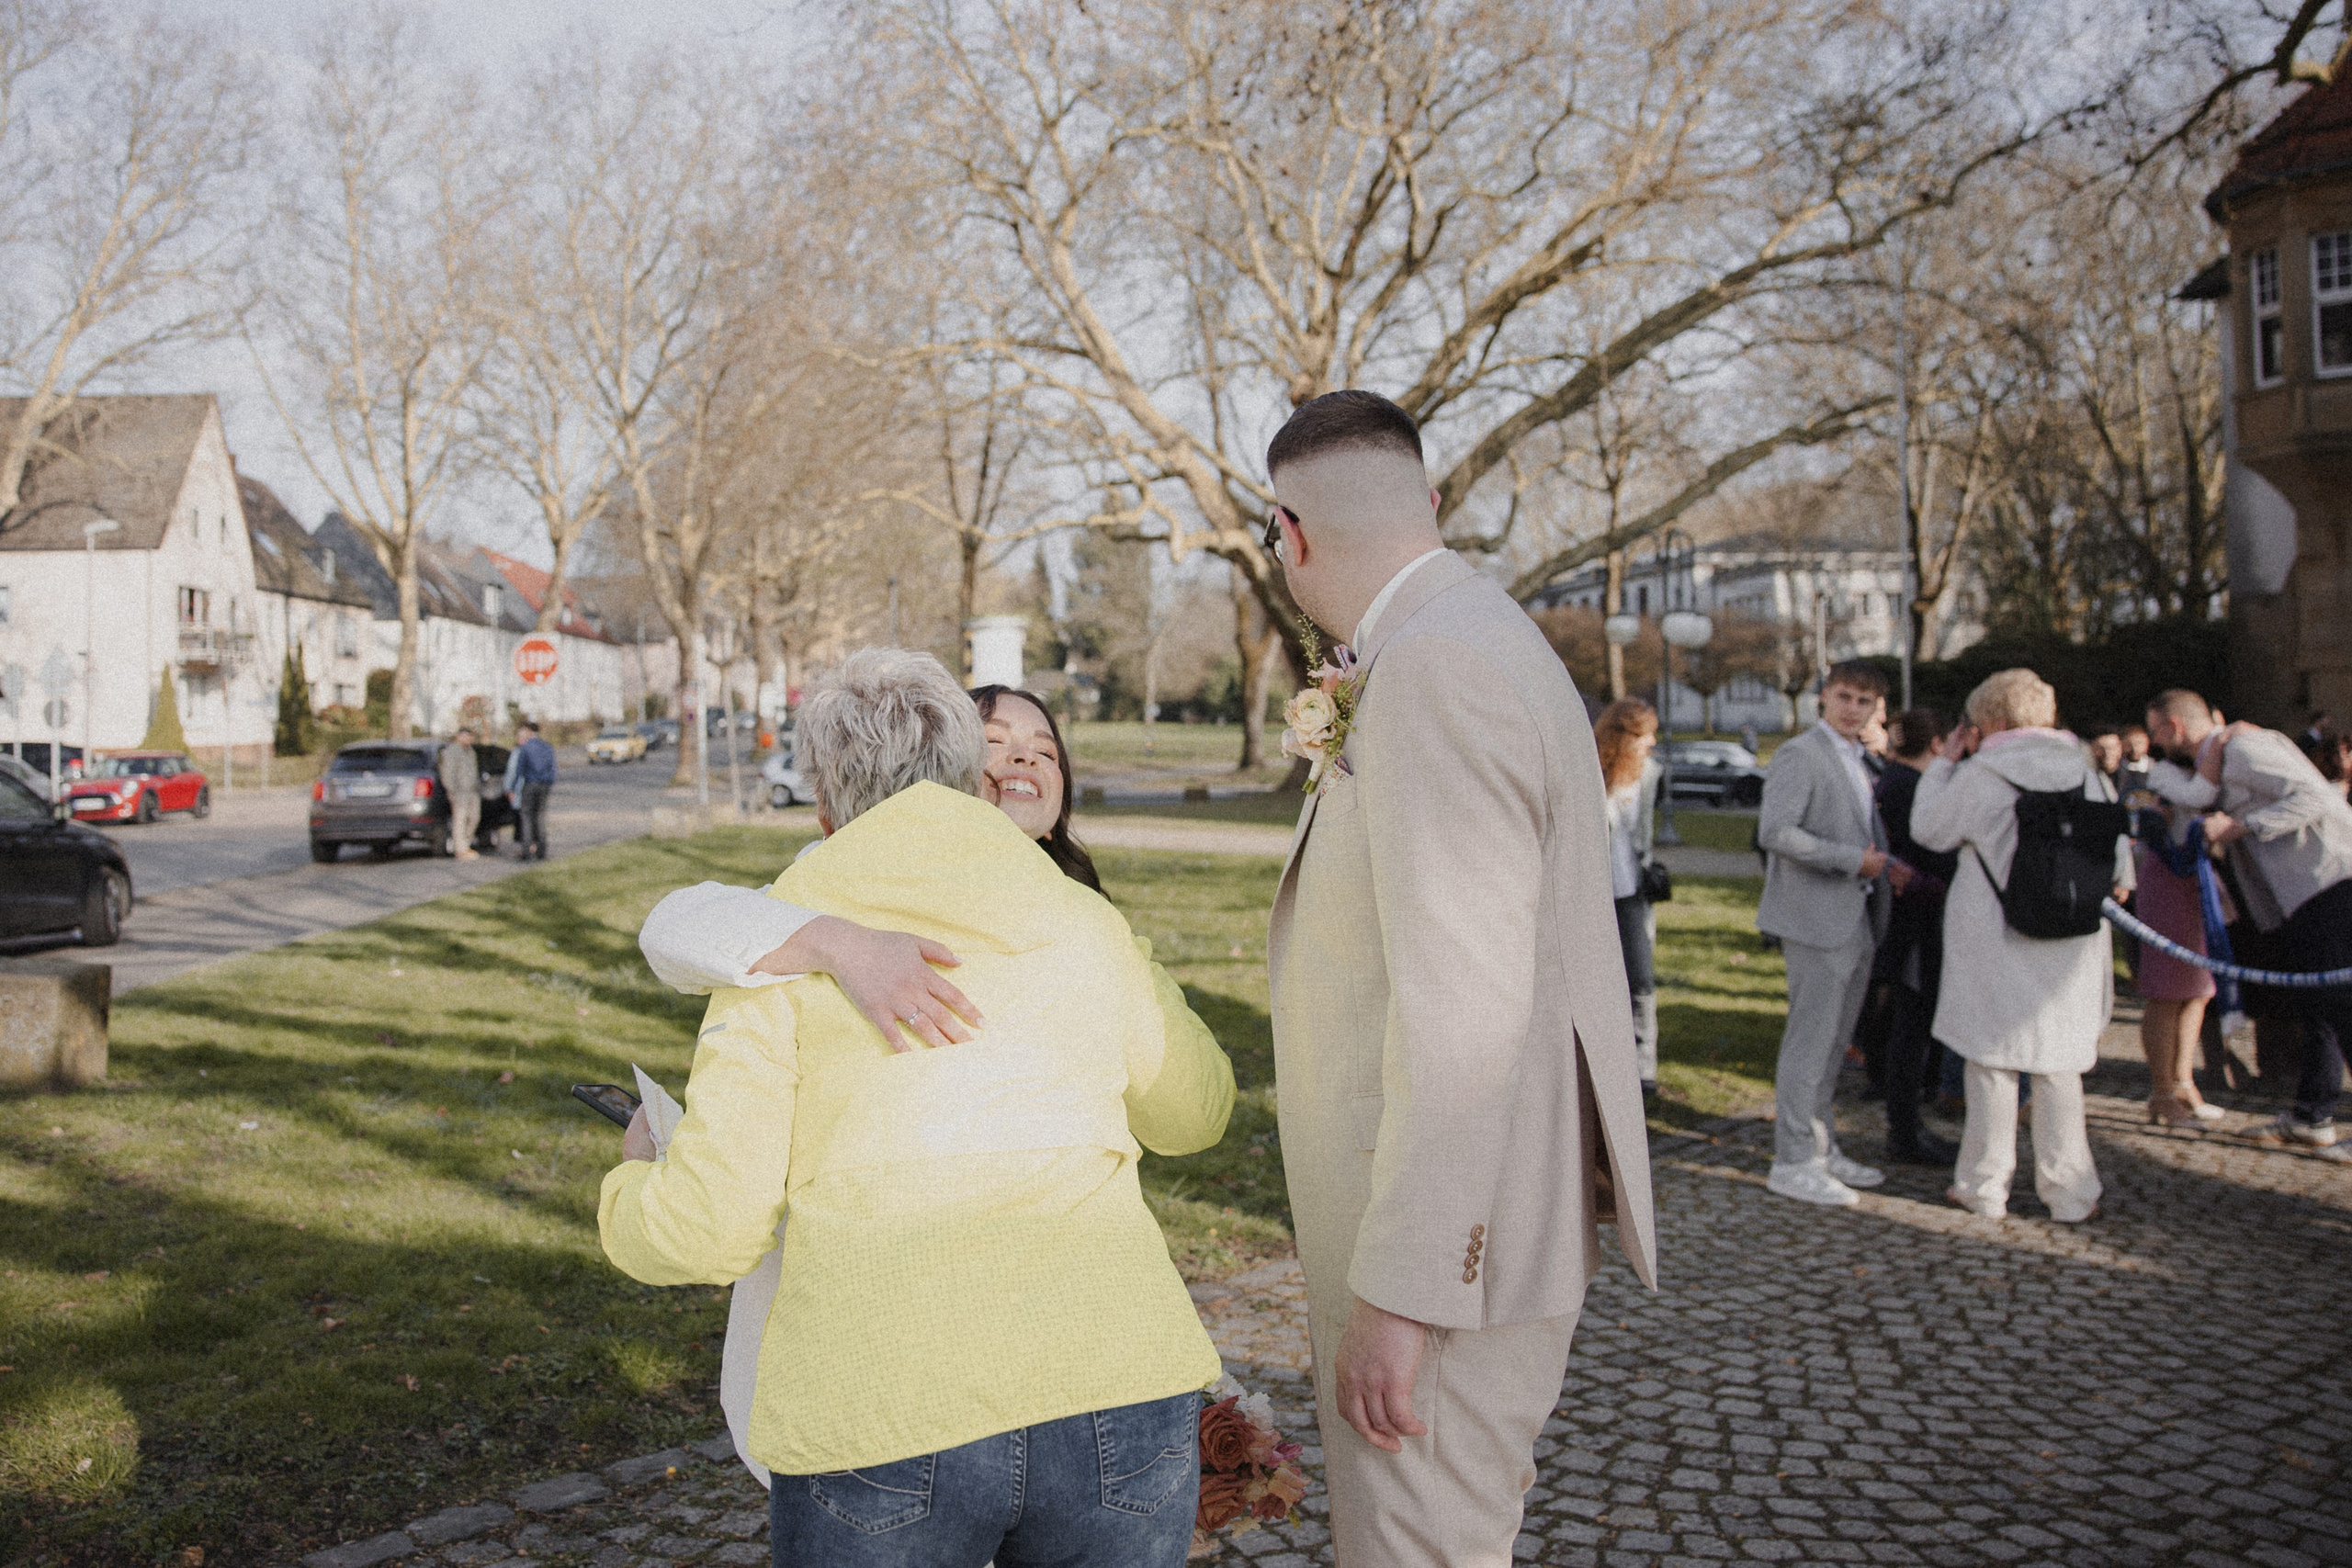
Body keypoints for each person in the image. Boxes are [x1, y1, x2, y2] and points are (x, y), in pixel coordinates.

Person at [600, 649, 1235, 1568]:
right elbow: (1195, 1112)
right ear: (965, 770)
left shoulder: (783, 943)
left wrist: (629, 1181)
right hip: (1119, 1392)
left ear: (823, 802)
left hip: (878, 1413)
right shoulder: (1082, 920)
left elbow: (706, 1231)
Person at [1262, 390, 1654, 1568]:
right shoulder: (1483, 632)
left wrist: (1404, 1292)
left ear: (1287, 534)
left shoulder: (1432, 668)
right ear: (1427, 501)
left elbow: (1462, 1014)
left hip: (1452, 1246)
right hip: (1497, 1206)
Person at [1910, 669, 2126, 1223]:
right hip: (2072, 935)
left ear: (1993, 723)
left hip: (1994, 928)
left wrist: (1944, 764)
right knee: (2061, 1066)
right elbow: (2117, 855)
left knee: (1992, 1062)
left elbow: (1929, 829)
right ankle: (2071, 1193)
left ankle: (1984, 1186)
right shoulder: (2086, 770)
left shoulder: (1983, 774)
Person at [2143, 689, 2352, 1147]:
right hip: (2301, 897)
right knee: (2319, 1006)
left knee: (2342, 1004)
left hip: (2331, 883)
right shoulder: (2217, 764)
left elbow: (2312, 796)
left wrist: (2244, 826)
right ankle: (2312, 1116)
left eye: (2156, 730)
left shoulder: (2243, 748)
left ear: (2175, 727)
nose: (2155, 742)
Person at [1755, 660, 1897, 1207]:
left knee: (1836, 1042)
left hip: (1853, 916)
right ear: (1823, 696)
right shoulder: (1801, 753)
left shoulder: (1858, 756)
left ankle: (1820, 1144)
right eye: (1844, 697)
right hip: (1814, 917)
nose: (1852, 709)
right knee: (1809, 1043)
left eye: (1864, 702)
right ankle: (1792, 1160)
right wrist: (1848, 860)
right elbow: (1776, 832)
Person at [1872, 708, 1960, 1165]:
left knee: (1907, 1027)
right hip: (1916, 924)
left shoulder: (1891, 781)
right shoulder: (1914, 788)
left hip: (1906, 922)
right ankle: (1904, 1131)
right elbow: (1931, 857)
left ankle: (1906, 1126)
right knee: (1911, 1029)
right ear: (1936, 744)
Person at [1596, 698, 1667, 1095]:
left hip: (1632, 892)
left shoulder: (1650, 775)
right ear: (1623, 737)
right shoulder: (1591, 772)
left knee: (1641, 979)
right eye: (1644, 735)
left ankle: (1644, 1071)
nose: (1651, 742)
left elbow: (1644, 836)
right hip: (1595, 895)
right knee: (1602, 981)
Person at [504, 721, 556, 861]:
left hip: (530, 784)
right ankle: (541, 850)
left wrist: (510, 788)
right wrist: (548, 784)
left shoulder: (526, 748)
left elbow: (519, 770)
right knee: (540, 816)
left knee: (526, 817)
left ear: (529, 732)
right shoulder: (547, 747)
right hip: (544, 785)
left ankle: (527, 851)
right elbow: (552, 769)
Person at [439, 728, 481, 861]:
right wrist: (451, 790)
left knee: (474, 818)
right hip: (459, 792)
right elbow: (447, 774)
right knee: (460, 820)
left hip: (472, 791)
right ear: (459, 737)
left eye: (470, 737)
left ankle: (466, 844)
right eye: (466, 736)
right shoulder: (451, 752)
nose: (469, 739)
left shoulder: (471, 752)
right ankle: (460, 849)